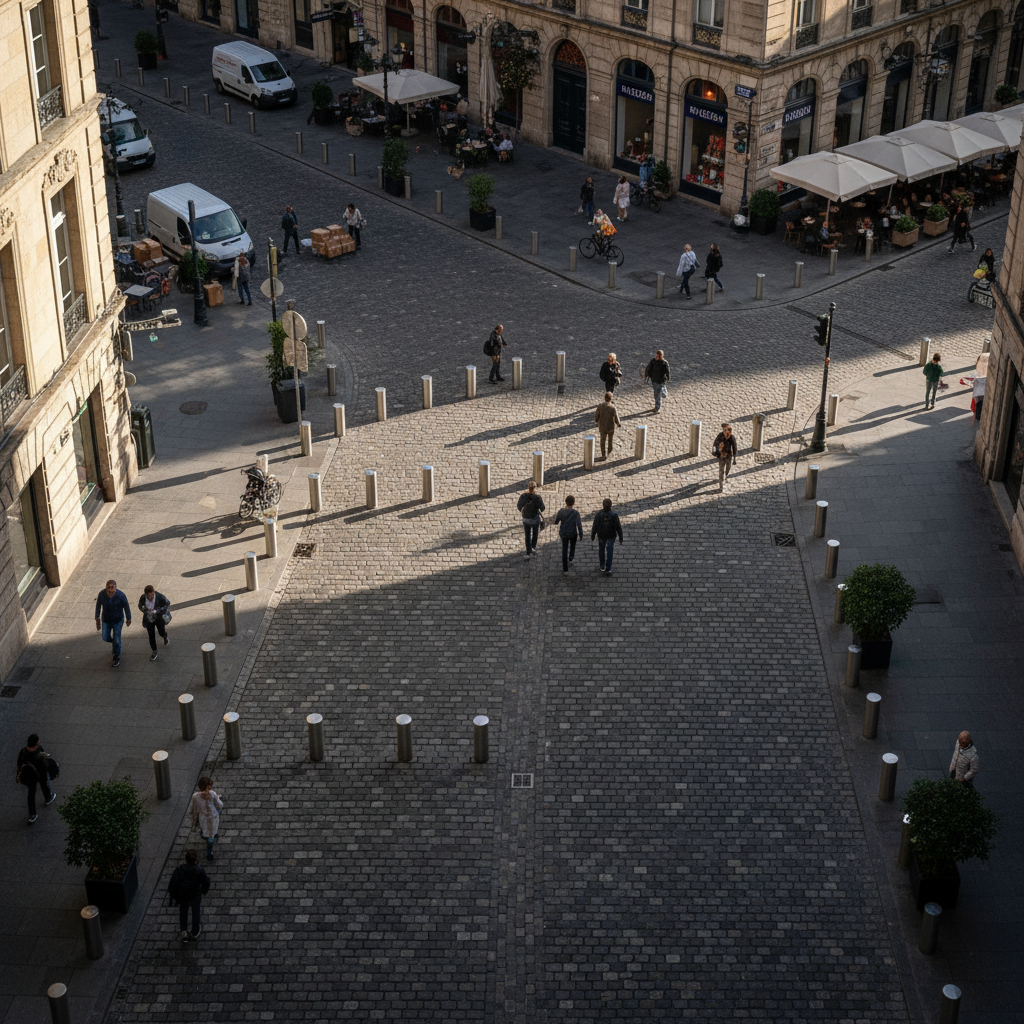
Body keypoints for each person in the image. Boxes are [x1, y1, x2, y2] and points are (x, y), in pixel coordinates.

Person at [168, 850, 211, 942]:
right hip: (195, 894)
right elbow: (206, 882)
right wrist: (203, 891)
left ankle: (184, 931)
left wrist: (175, 896)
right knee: (195, 912)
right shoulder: (199, 870)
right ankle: (195, 931)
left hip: (183, 895)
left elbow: (173, 883)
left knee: (183, 912)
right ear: (195, 860)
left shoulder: (180, 869)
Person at [16, 734, 56, 824]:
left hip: (29, 777)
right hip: (40, 774)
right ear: (36, 743)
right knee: (44, 784)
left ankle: (32, 815)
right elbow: (44, 764)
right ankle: (48, 797)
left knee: (31, 794)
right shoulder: (39, 751)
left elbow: (19, 763)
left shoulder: (23, 751)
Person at [95, 579, 131, 667]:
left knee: (117, 638)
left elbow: (126, 607)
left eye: (112, 588)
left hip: (117, 620)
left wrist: (128, 618)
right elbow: (98, 606)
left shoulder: (121, 596)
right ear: (106, 588)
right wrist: (97, 619)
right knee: (105, 637)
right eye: (108, 588)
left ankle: (116, 656)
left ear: (115, 588)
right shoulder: (102, 594)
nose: (110, 590)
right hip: (106, 620)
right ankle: (115, 643)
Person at [189, 776, 224, 861]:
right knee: (210, 837)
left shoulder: (196, 796)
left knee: (208, 834)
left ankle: (209, 848)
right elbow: (220, 805)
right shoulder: (212, 794)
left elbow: (192, 808)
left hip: (204, 818)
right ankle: (209, 852)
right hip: (212, 818)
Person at [137, 585, 170, 661]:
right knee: (151, 635)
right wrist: (145, 611)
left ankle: (164, 636)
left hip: (159, 618)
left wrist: (158, 610)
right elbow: (140, 605)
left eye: (151, 596)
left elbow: (167, 603)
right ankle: (154, 651)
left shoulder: (159, 596)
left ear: (153, 592)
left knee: (161, 631)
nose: (150, 598)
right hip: (149, 619)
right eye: (148, 596)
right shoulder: (143, 597)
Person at [591, 498, 623, 576]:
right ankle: (608, 568)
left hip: (601, 535)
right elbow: (618, 527)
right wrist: (620, 537)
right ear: (611, 506)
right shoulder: (614, 515)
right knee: (610, 552)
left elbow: (595, 525)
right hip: (611, 536)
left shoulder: (598, 515)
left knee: (601, 550)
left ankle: (602, 565)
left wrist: (593, 534)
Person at [554, 495, 583, 575]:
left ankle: (565, 569)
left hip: (564, 533)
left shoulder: (561, 511)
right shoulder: (575, 513)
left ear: (565, 502)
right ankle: (571, 558)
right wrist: (581, 534)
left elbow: (556, 522)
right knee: (572, 546)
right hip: (573, 533)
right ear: (573, 503)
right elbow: (579, 524)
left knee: (564, 549)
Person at [516, 479, 545, 559]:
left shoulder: (523, 496)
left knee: (527, 535)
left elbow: (518, 506)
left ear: (528, 487)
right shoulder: (537, 497)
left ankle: (528, 552)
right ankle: (533, 547)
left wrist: (523, 512)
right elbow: (542, 508)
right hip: (535, 518)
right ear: (535, 487)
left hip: (526, 519)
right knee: (535, 534)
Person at [594, 391, 621, 460]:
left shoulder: (600, 406)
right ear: (611, 399)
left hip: (602, 427)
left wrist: (596, 420)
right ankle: (609, 450)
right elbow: (616, 417)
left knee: (602, 440)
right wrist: (618, 423)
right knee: (610, 440)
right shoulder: (613, 407)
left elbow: (596, 416)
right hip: (610, 426)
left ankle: (603, 454)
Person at [712, 422, 738, 492]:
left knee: (728, 468)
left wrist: (735, 457)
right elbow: (715, 444)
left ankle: (726, 475)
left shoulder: (732, 437)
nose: (726, 431)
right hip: (721, 456)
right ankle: (721, 485)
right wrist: (716, 452)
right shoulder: (720, 436)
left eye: (727, 429)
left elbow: (734, 447)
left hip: (729, 456)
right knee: (721, 470)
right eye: (724, 430)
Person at [644, 349, 671, 414]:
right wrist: (647, 375)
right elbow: (648, 367)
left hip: (661, 381)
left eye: (658, 356)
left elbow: (667, 371)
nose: (656, 357)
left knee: (660, 394)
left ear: (661, 356)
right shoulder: (653, 361)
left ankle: (658, 406)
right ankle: (657, 407)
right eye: (656, 355)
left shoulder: (664, 363)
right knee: (656, 394)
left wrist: (668, 377)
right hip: (654, 380)